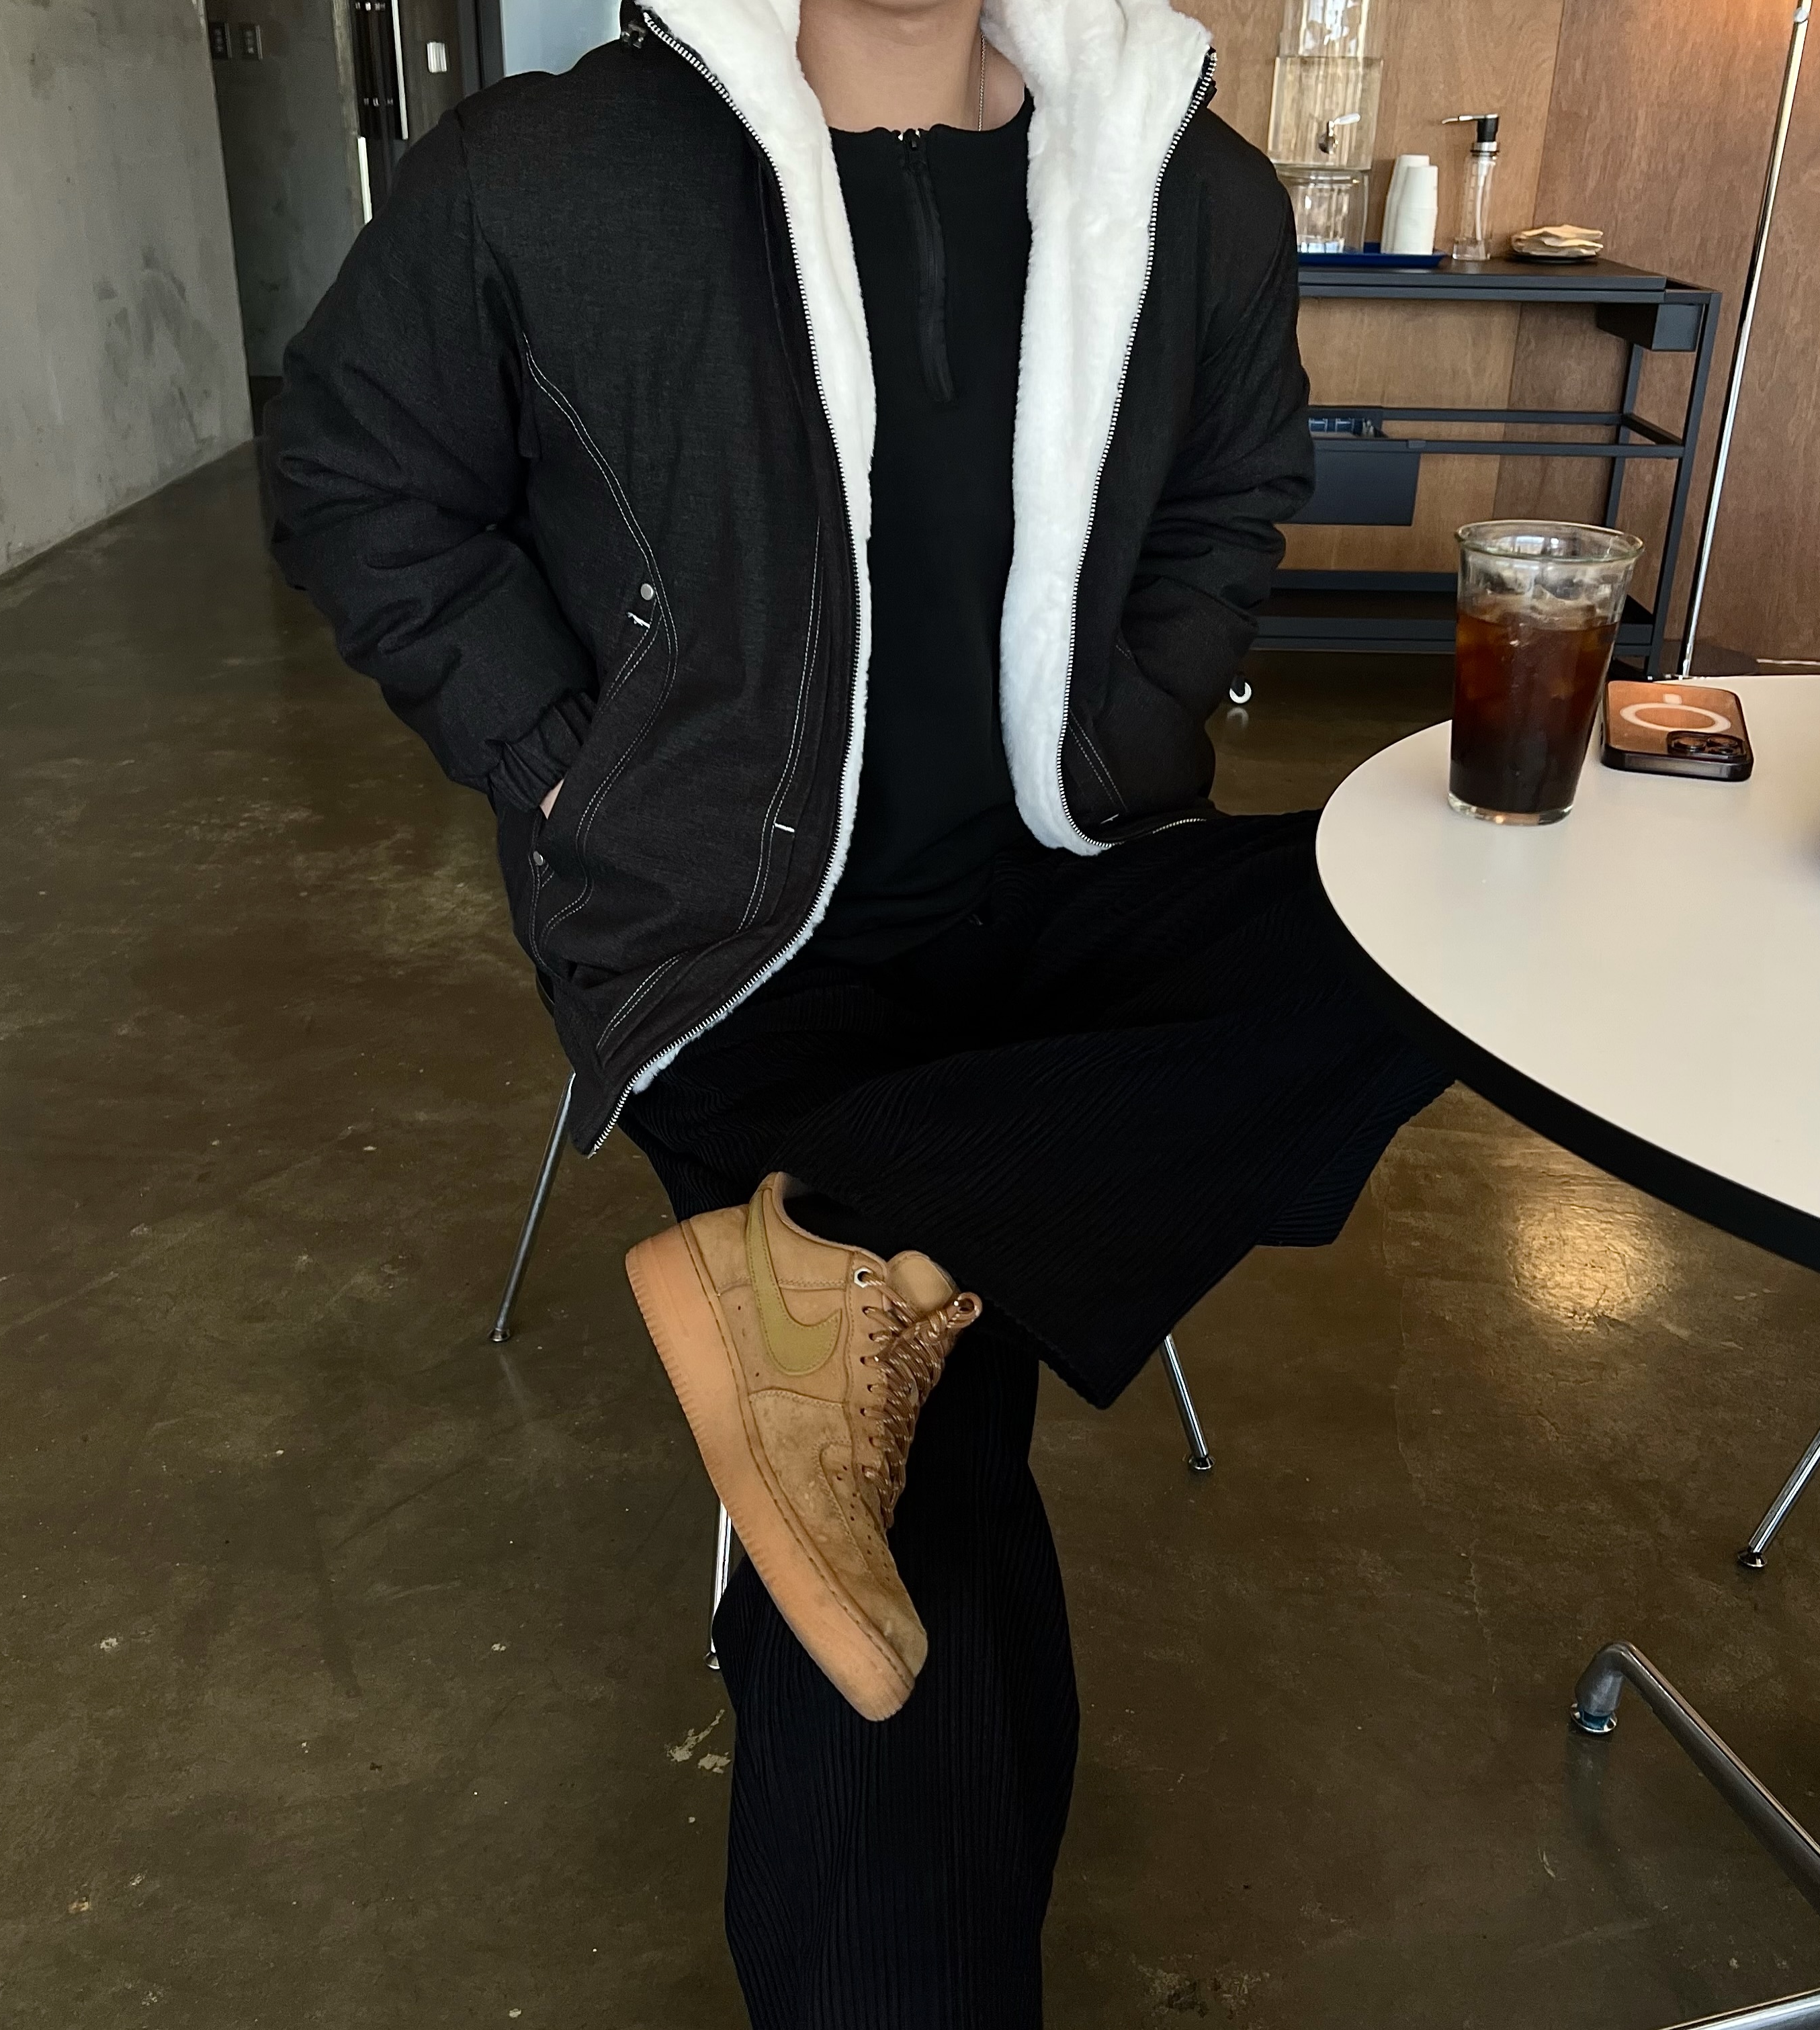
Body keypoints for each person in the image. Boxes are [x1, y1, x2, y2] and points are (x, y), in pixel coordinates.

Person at [266, 0, 1448, 2015]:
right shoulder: (546, 173)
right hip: (742, 941)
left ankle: (825, 1262)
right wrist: (570, 770)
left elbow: (1231, 492)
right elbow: (355, 473)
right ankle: (844, 1309)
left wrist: (1138, 716)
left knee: (1445, 930)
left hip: (1065, 878)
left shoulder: (1192, 191)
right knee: (924, 1535)